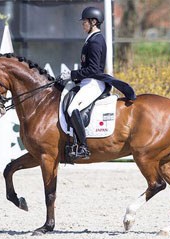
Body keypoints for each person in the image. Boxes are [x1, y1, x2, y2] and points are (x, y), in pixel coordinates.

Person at [58, 7, 136, 159]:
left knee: (72, 108)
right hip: (87, 81)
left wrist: (72, 74)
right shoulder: (91, 39)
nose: (83, 25)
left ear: (93, 22)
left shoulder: (96, 41)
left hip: (94, 83)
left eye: (85, 22)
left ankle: (83, 146)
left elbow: (93, 69)